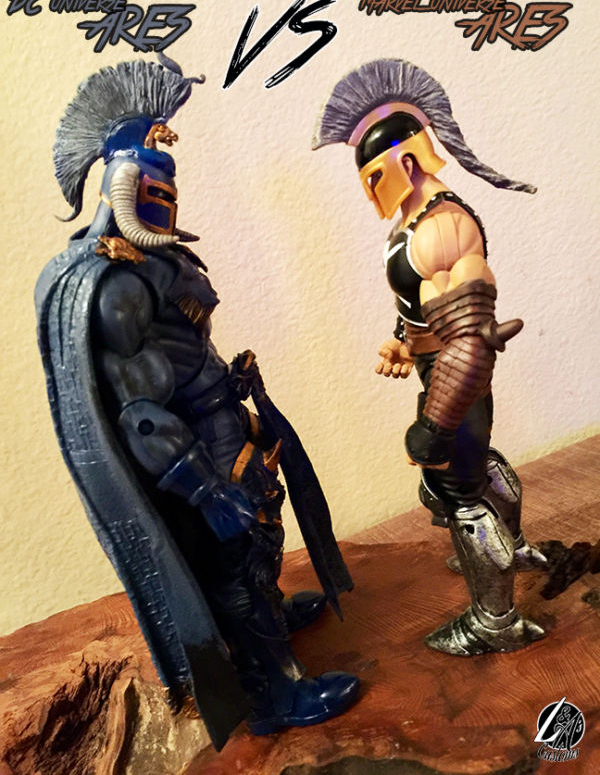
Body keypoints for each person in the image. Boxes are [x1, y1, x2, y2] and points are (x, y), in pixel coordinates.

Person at [36, 55, 358, 751]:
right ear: (125, 185)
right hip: (195, 448)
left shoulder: (156, 260)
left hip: (223, 422)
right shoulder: (118, 285)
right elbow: (139, 413)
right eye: (155, 178)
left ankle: (268, 623)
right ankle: (274, 693)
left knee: (257, 543)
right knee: (234, 557)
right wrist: (204, 488)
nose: (168, 195)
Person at [313, 58, 546, 656]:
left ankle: (495, 621)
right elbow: (420, 304)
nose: (369, 186)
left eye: (372, 172)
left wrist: (434, 425)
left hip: (455, 379)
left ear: (407, 162)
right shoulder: (415, 221)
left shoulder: (441, 229)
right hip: (435, 367)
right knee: (472, 467)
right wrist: (403, 338)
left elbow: (470, 342)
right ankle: (514, 547)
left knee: (460, 492)